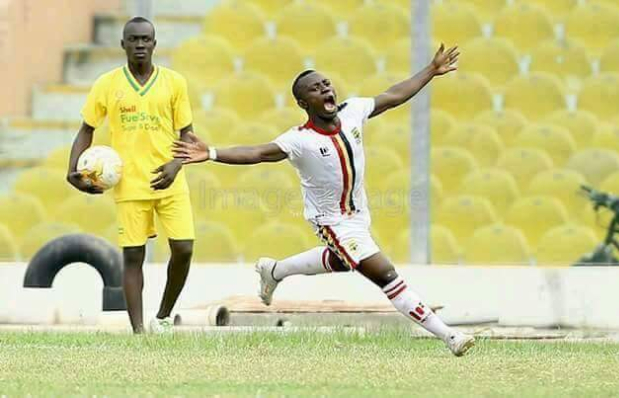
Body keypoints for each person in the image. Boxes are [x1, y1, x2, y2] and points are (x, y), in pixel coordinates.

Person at [173, 44, 474, 355]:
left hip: (359, 215)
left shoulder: (354, 110)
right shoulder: (299, 139)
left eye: (326, 84)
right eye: (315, 89)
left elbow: (393, 95)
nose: (325, 90)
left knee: (343, 261)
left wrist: (430, 70)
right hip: (332, 222)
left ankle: (274, 270)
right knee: (386, 275)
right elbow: (258, 153)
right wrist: (210, 153)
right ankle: (449, 336)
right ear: (304, 103)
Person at [67, 17, 195, 334]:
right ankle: (138, 332)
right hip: (129, 183)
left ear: (154, 44)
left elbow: (188, 134)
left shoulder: (174, 82)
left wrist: (176, 164)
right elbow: (87, 129)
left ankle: (163, 317)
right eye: (134, 39)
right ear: (123, 44)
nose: (140, 45)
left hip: (170, 180)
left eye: (146, 39)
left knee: (184, 249)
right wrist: (72, 171)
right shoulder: (107, 84)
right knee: (134, 255)